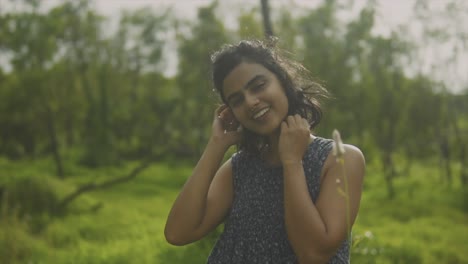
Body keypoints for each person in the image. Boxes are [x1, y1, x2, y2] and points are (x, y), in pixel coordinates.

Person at [164, 38, 365, 264]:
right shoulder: (239, 168)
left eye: (258, 86)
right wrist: (216, 144)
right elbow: (177, 233)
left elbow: (313, 254)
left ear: (283, 81)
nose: (251, 102)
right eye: (237, 100)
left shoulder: (340, 159)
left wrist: (292, 162)